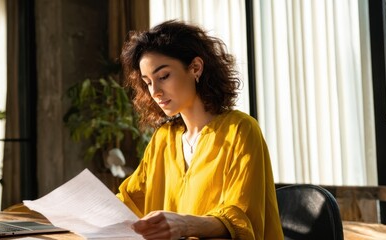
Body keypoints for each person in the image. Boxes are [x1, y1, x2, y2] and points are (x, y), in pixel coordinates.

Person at [117, 20, 283, 239]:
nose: (155, 91)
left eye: (164, 76)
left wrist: (185, 224)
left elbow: (243, 218)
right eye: (148, 82)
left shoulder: (240, 131)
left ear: (195, 68)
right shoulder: (163, 139)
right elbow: (129, 200)